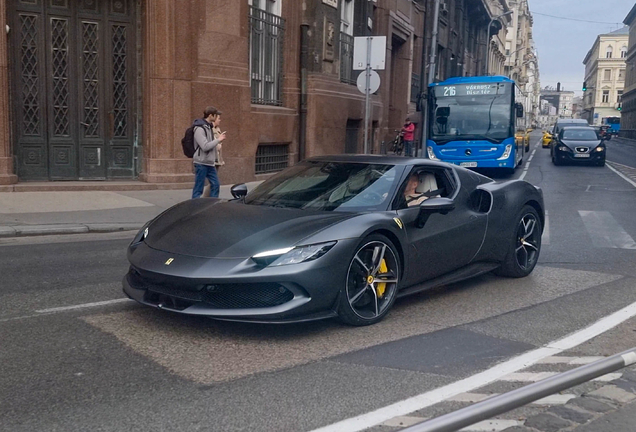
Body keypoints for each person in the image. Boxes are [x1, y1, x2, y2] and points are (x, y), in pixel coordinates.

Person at [191, 106, 226, 199]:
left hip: (210, 163)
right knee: (198, 188)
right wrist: (218, 140)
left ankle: (212, 203)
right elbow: (205, 146)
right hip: (201, 162)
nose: (217, 118)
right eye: (216, 115)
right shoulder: (199, 129)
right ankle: (195, 206)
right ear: (211, 115)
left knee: (216, 184)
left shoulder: (209, 127)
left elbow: (210, 144)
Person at [202, 112, 226, 197]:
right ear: (214, 119)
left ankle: (207, 198)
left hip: (217, 158)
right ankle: (208, 198)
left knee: (213, 182)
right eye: (218, 118)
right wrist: (217, 145)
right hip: (212, 159)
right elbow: (208, 144)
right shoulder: (209, 129)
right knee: (214, 182)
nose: (220, 120)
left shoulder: (217, 129)